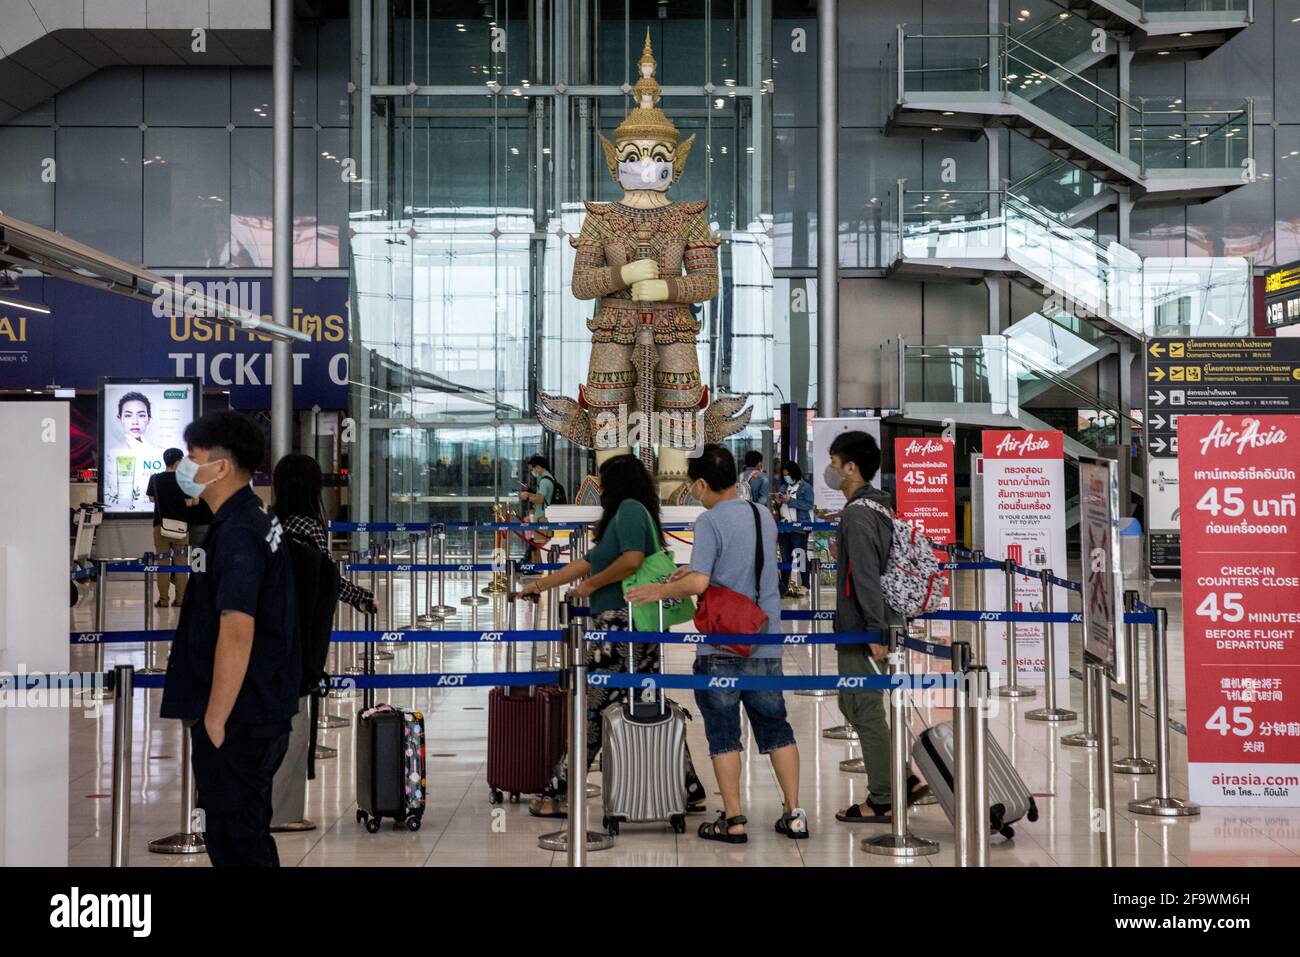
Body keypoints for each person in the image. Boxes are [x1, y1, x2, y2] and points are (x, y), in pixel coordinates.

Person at [626, 444, 807, 844]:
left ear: (705, 483)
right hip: (764, 637)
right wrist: (696, 569)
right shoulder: (763, 515)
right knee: (776, 726)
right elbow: (745, 564)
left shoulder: (709, 522)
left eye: (694, 486)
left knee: (724, 731)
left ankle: (735, 819)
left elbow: (702, 584)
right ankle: (794, 814)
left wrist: (657, 588)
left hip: (723, 643)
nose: (693, 492)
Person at [518, 453, 705, 817]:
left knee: (593, 707)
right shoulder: (623, 516)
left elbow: (632, 560)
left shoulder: (631, 510)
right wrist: (540, 584)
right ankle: (688, 785)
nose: (599, 489)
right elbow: (588, 562)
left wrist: (590, 586)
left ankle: (561, 789)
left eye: (603, 482)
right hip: (626, 625)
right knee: (645, 702)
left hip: (624, 624)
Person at [159, 411, 300, 867]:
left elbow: (237, 628)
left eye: (193, 458)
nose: (186, 466)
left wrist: (215, 718)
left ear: (220, 467)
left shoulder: (239, 532)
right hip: (257, 705)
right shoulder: (252, 516)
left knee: (233, 835)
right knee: (243, 831)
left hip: (241, 714)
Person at [268, 453, 379, 834]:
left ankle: (264, 806)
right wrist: (359, 596)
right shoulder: (308, 526)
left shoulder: (273, 523)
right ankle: (284, 813)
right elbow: (324, 573)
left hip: (273, 633)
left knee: (272, 725)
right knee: (295, 725)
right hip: (301, 639)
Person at [825, 430, 927, 824]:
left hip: (867, 626)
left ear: (851, 467)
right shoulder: (877, 507)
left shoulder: (859, 513)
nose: (832, 472)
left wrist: (874, 630)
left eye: (835, 464)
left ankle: (884, 797)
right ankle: (899, 779)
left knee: (863, 707)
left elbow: (866, 575)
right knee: (852, 702)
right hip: (869, 622)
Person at [145, 447, 212, 607]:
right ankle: (180, 599)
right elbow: (195, 501)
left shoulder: (155, 478)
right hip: (181, 528)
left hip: (160, 526)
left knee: (163, 563)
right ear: (177, 462)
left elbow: (152, 499)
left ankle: (163, 600)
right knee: (181, 563)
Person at [105, 391, 163, 510]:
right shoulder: (109, 455)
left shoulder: (159, 453)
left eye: (141, 415)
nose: (135, 421)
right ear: (120, 418)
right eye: (128, 415)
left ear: (149, 419)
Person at [773, 459, 815, 597]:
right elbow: (779, 506)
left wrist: (790, 501)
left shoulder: (806, 488)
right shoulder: (783, 488)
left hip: (799, 527)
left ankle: (805, 584)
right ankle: (784, 587)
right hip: (784, 527)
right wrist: (778, 502)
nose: (786, 477)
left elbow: (808, 505)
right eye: (784, 474)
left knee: (800, 555)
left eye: (788, 474)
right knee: (785, 558)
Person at [518, 454, 557, 561]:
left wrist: (526, 497)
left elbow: (540, 499)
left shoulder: (545, 481)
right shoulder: (546, 478)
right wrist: (529, 494)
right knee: (538, 544)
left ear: (539, 467)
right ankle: (539, 567)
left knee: (540, 545)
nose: (533, 472)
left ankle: (540, 567)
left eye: (533, 469)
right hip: (541, 515)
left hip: (542, 517)